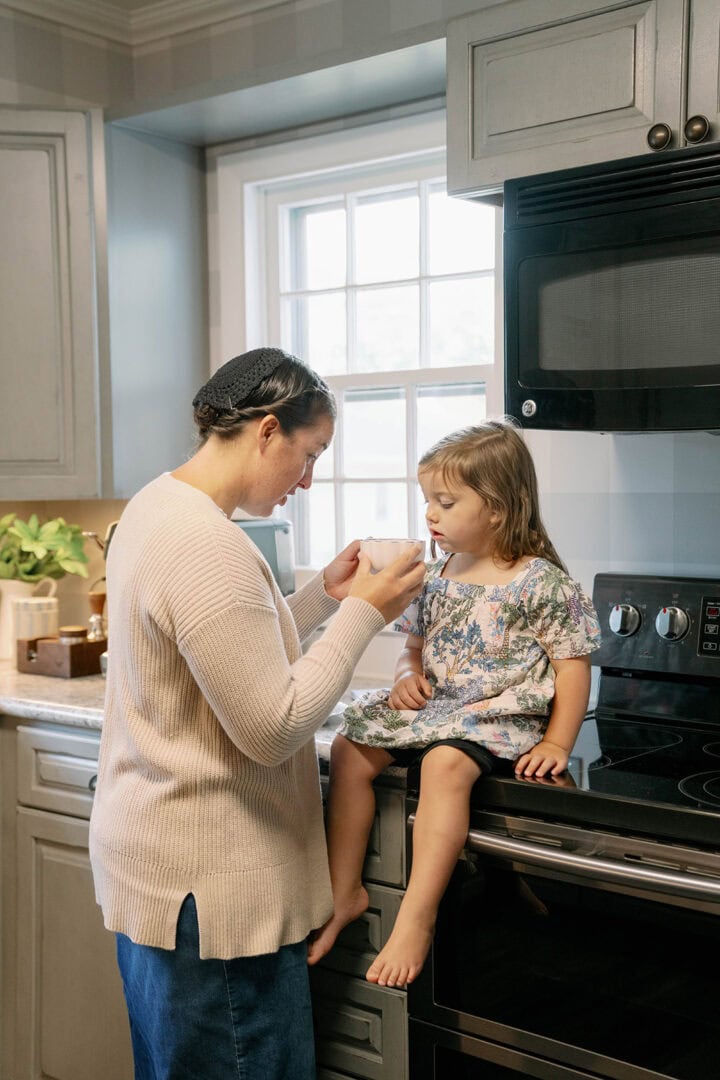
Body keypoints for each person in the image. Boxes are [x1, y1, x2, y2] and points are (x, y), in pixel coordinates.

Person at [88, 347, 425, 1080]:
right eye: (309, 456)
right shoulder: (207, 543)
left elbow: (214, 647)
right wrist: (364, 615)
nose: (307, 481)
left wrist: (319, 603)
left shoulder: (158, 506)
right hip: (214, 902)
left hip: (162, 877)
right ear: (268, 431)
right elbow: (272, 725)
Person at [308, 419, 601, 988]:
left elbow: (573, 667)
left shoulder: (539, 582)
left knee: (445, 765)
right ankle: (343, 889)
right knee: (348, 748)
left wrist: (556, 741)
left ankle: (417, 920)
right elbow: (411, 650)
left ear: (497, 507)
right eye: (427, 501)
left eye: (445, 501)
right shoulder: (438, 573)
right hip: (439, 710)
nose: (429, 515)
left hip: (499, 717)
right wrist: (404, 678)